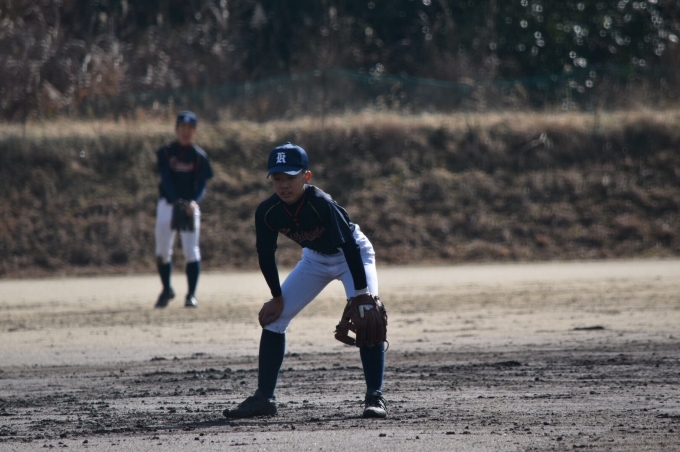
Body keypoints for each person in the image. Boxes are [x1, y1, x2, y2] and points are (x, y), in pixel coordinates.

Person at [222, 142, 387, 419]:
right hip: (314, 259)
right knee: (274, 319)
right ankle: (264, 399)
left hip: (352, 254)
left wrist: (361, 293)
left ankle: (375, 397)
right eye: (277, 178)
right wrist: (277, 297)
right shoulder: (267, 211)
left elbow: (349, 247)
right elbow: (266, 255)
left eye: (290, 176)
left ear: (306, 176)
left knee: (367, 315)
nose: (284, 184)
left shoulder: (321, 203)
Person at [154, 111, 214, 308]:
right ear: (176, 129)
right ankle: (166, 289)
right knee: (162, 251)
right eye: (182, 128)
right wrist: (177, 200)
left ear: (195, 131)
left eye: (190, 128)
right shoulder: (166, 152)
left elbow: (202, 185)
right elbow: (166, 178)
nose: (186, 132)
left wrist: (194, 202)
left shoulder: (199, 156)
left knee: (191, 250)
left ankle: (191, 295)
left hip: (189, 206)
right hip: (167, 204)